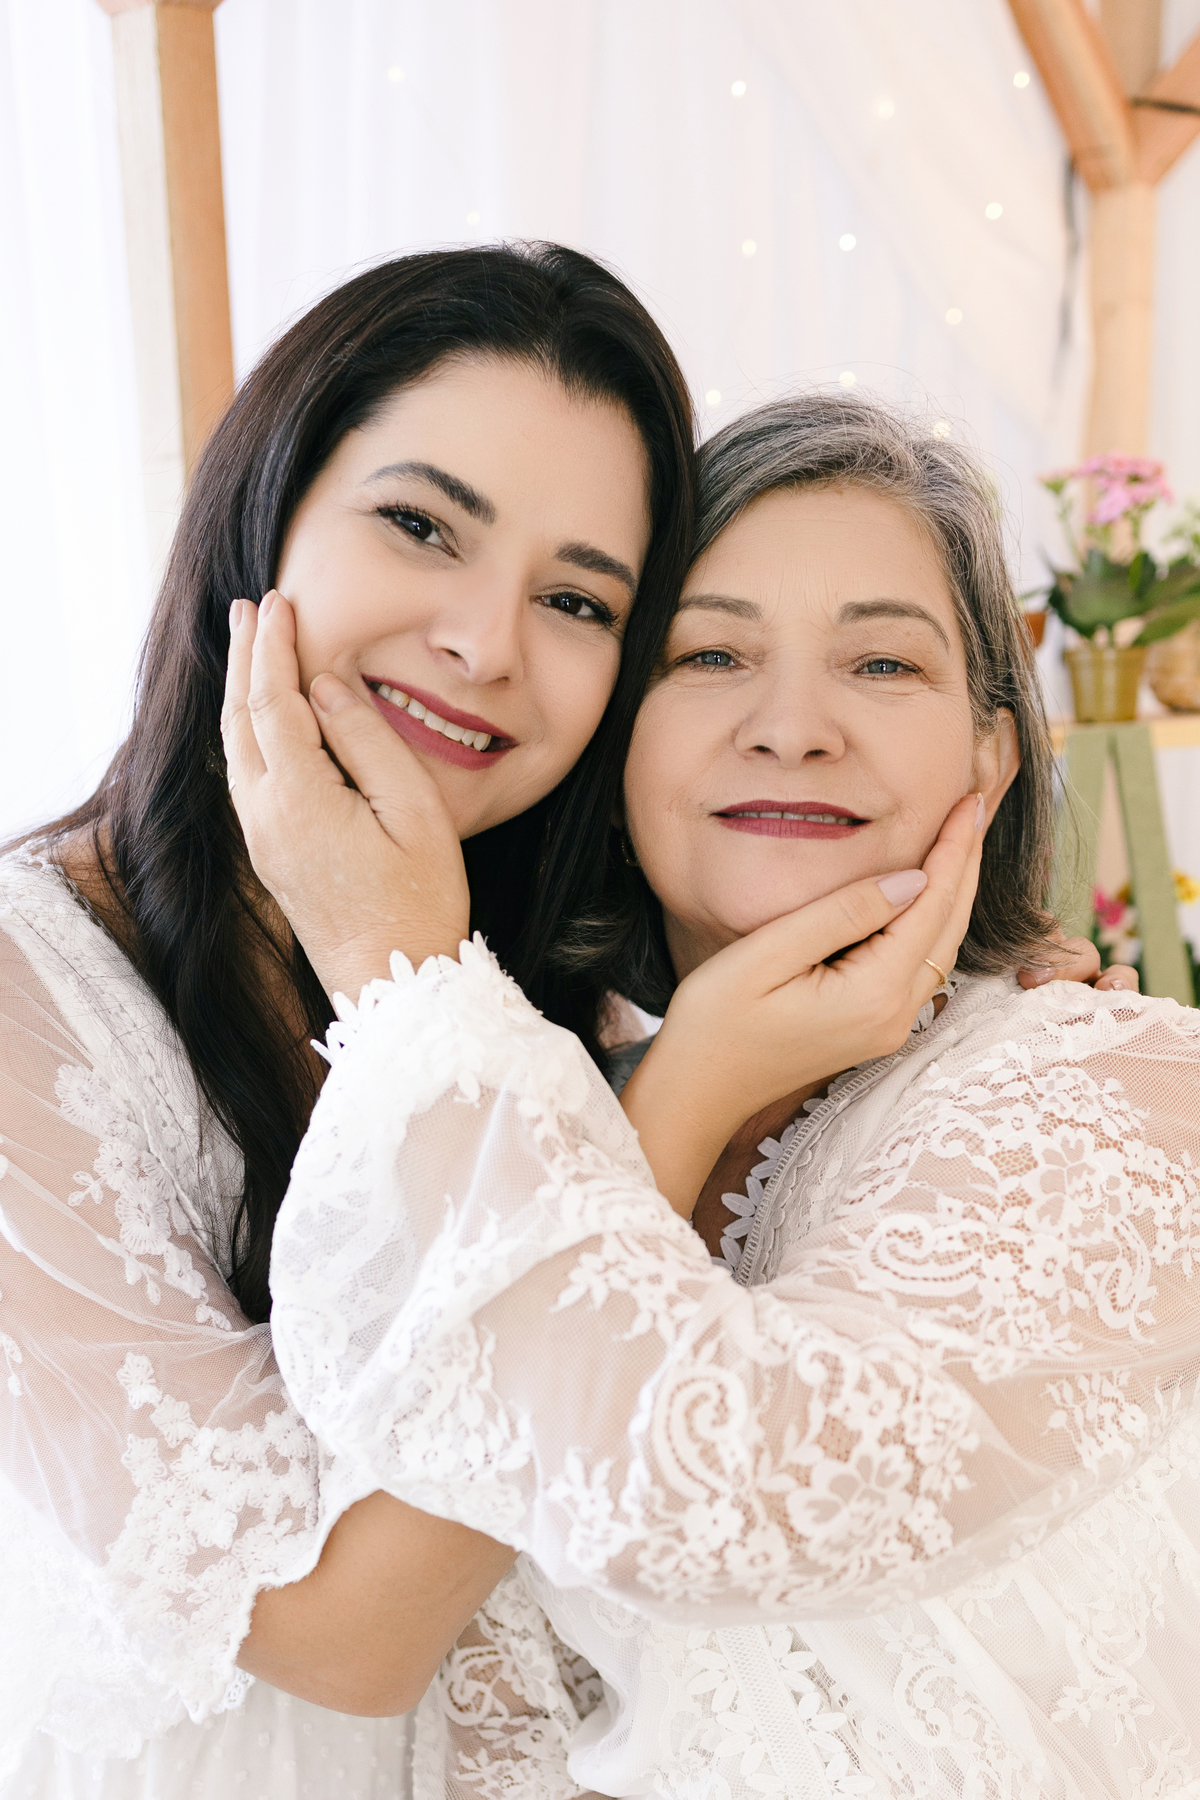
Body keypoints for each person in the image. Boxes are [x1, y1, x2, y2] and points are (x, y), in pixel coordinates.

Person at [241, 391, 1198, 1800]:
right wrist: (662, 1090)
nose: (793, 727)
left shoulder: (1122, 1083)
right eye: (709, 655)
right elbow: (461, 1693)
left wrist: (394, 963)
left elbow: (726, 1488)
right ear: (614, 738)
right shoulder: (548, 1112)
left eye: (882, 662)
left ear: (992, 756)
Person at [0, 241, 703, 1796]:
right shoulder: (23, 990)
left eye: (576, 598)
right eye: (420, 524)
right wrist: (672, 1114)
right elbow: (336, 1633)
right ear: (261, 518)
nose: (486, 643)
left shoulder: (573, 999)